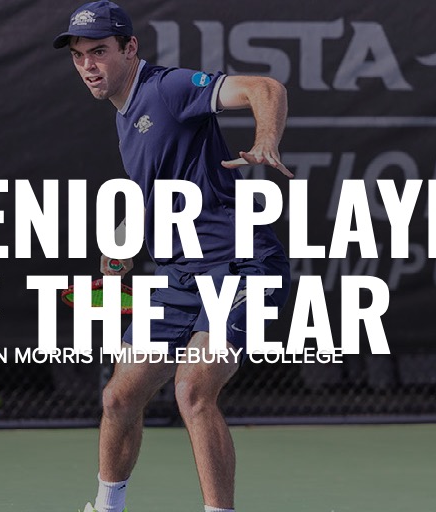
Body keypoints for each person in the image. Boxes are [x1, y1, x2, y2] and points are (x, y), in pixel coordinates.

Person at [53, 3, 293, 511]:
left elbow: (265, 88)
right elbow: (156, 190)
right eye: (79, 56)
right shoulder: (125, 116)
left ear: (130, 48)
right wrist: (122, 242)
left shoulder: (167, 88)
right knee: (119, 397)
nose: (88, 65)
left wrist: (265, 140)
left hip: (241, 265)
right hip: (180, 274)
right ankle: (106, 507)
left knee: (192, 389)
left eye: (99, 51)